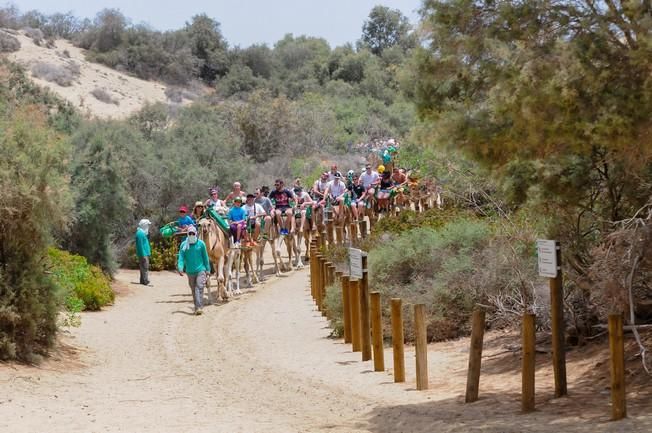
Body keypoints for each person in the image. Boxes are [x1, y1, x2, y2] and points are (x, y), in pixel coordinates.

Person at [177, 225, 210, 315]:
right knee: (193, 289)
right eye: (189, 233)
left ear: (196, 233)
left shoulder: (201, 244)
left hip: (200, 270)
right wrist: (180, 268)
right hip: (190, 271)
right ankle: (197, 307)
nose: (191, 235)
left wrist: (208, 269)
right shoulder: (184, 245)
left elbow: (205, 257)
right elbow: (181, 258)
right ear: (187, 234)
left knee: (199, 287)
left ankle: (199, 307)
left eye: (193, 233)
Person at [135, 219, 152, 286]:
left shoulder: (141, 232)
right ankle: (145, 281)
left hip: (144, 253)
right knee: (145, 267)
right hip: (143, 253)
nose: (148, 226)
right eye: (147, 225)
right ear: (144, 225)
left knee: (143, 267)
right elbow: (140, 245)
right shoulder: (140, 233)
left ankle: (142, 280)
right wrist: (143, 254)